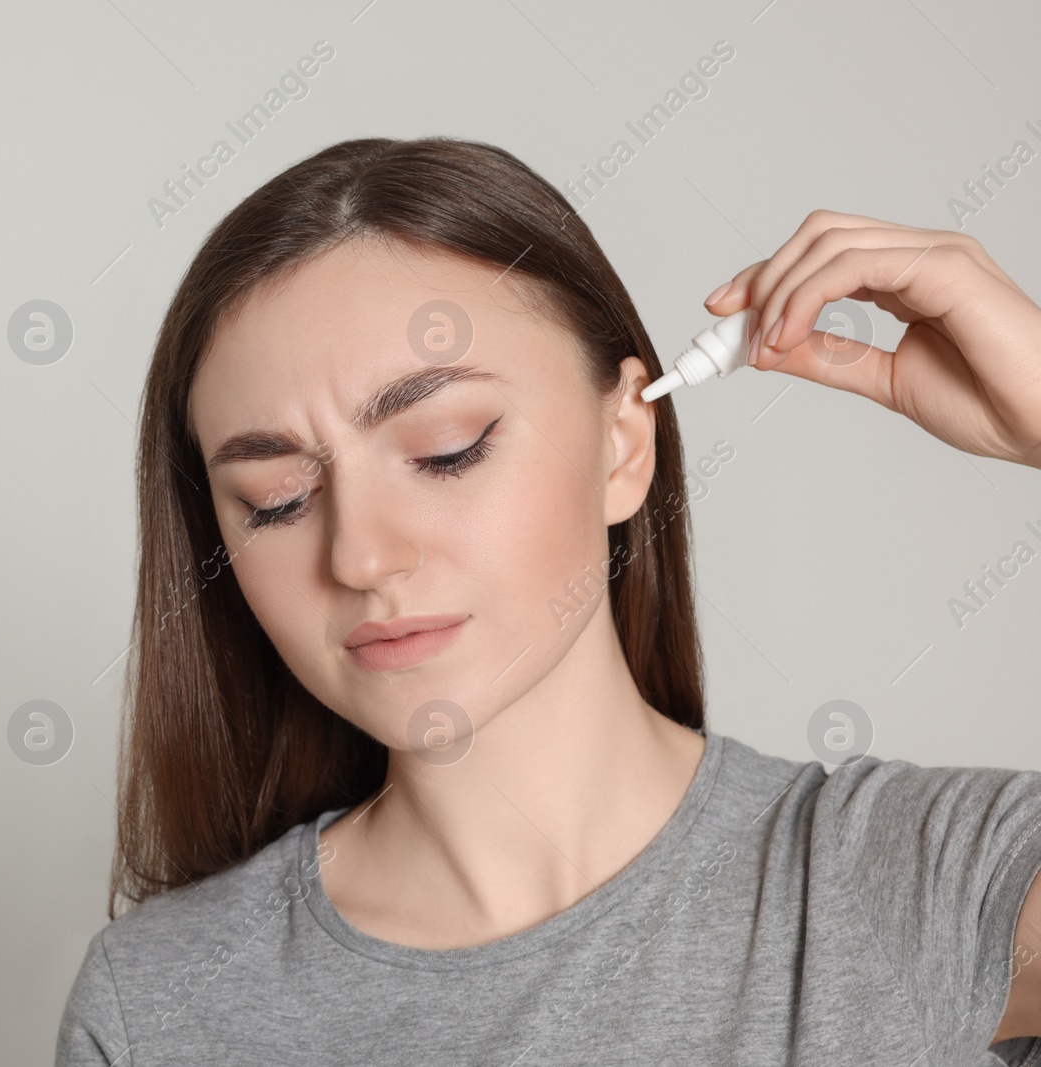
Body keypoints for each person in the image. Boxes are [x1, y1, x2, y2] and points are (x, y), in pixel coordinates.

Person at [54, 136, 1041, 1065]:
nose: (360, 554)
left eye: (446, 448)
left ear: (621, 444)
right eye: (279, 499)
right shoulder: (160, 1005)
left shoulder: (915, 882)